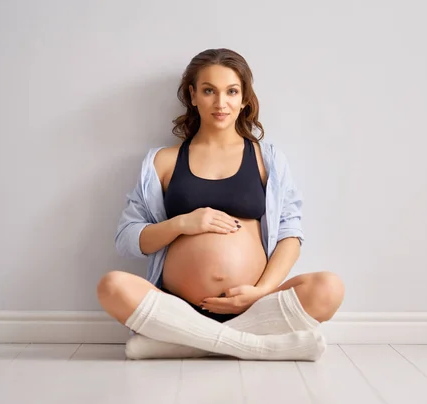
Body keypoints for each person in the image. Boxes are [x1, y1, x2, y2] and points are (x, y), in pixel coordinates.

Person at [97, 48, 345, 361]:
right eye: (209, 91)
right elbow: (129, 238)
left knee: (329, 288)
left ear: (244, 99)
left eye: (231, 91)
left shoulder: (266, 159)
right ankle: (253, 345)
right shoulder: (163, 161)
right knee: (112, 286)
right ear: (193, 95)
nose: (220, 103)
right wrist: (182, 224)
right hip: (177, 307)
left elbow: (290, 234)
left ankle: (183, 342)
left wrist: (261, 291)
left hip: (254, 306)